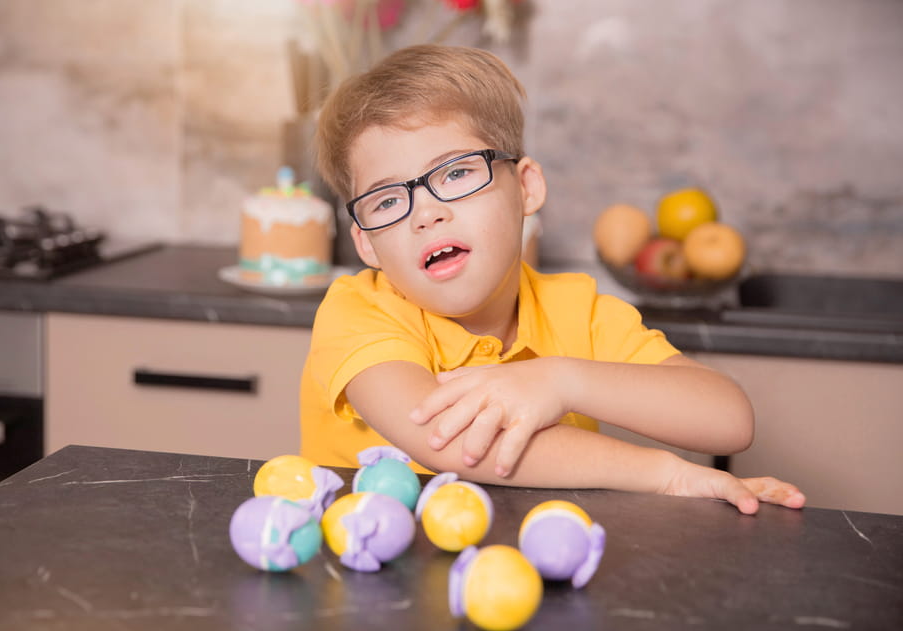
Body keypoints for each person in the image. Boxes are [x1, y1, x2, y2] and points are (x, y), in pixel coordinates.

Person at [299, 44, 804, 515]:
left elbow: (729, 419)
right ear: (366, 243)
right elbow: (452, 442)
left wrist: (562, 380)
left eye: (455, 173)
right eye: (387, 201)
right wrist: (664, 474)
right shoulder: (358, 310)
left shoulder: (575, 310)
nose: (424, 214)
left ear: (526, 187)